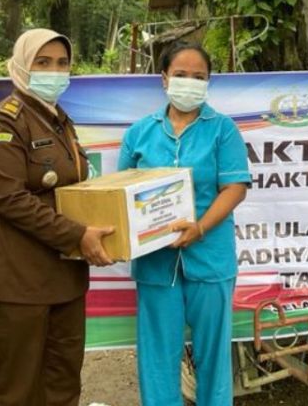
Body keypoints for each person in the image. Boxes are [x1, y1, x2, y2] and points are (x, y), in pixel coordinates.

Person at [0, 28, 114, 406]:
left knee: (62, 381)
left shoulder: (59, 121)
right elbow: (11, 200)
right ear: (20, 67)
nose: (55, 71)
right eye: (42, 63)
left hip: (64, 275)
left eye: (62, 63)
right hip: (16, 276)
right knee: (14, 389)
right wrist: (79, 235)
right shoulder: (0, 125)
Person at [118, 42, 250, 406]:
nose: (189, 83)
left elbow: (234, 188)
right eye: (180, 75)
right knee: (158, 358)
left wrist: (200, 227)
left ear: (209, 82)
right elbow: (120, 193)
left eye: (199, 77)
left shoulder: (223, 130)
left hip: (211, 257)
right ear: (164, 79)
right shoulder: (139, 133)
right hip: (156, 262)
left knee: (213, 356)